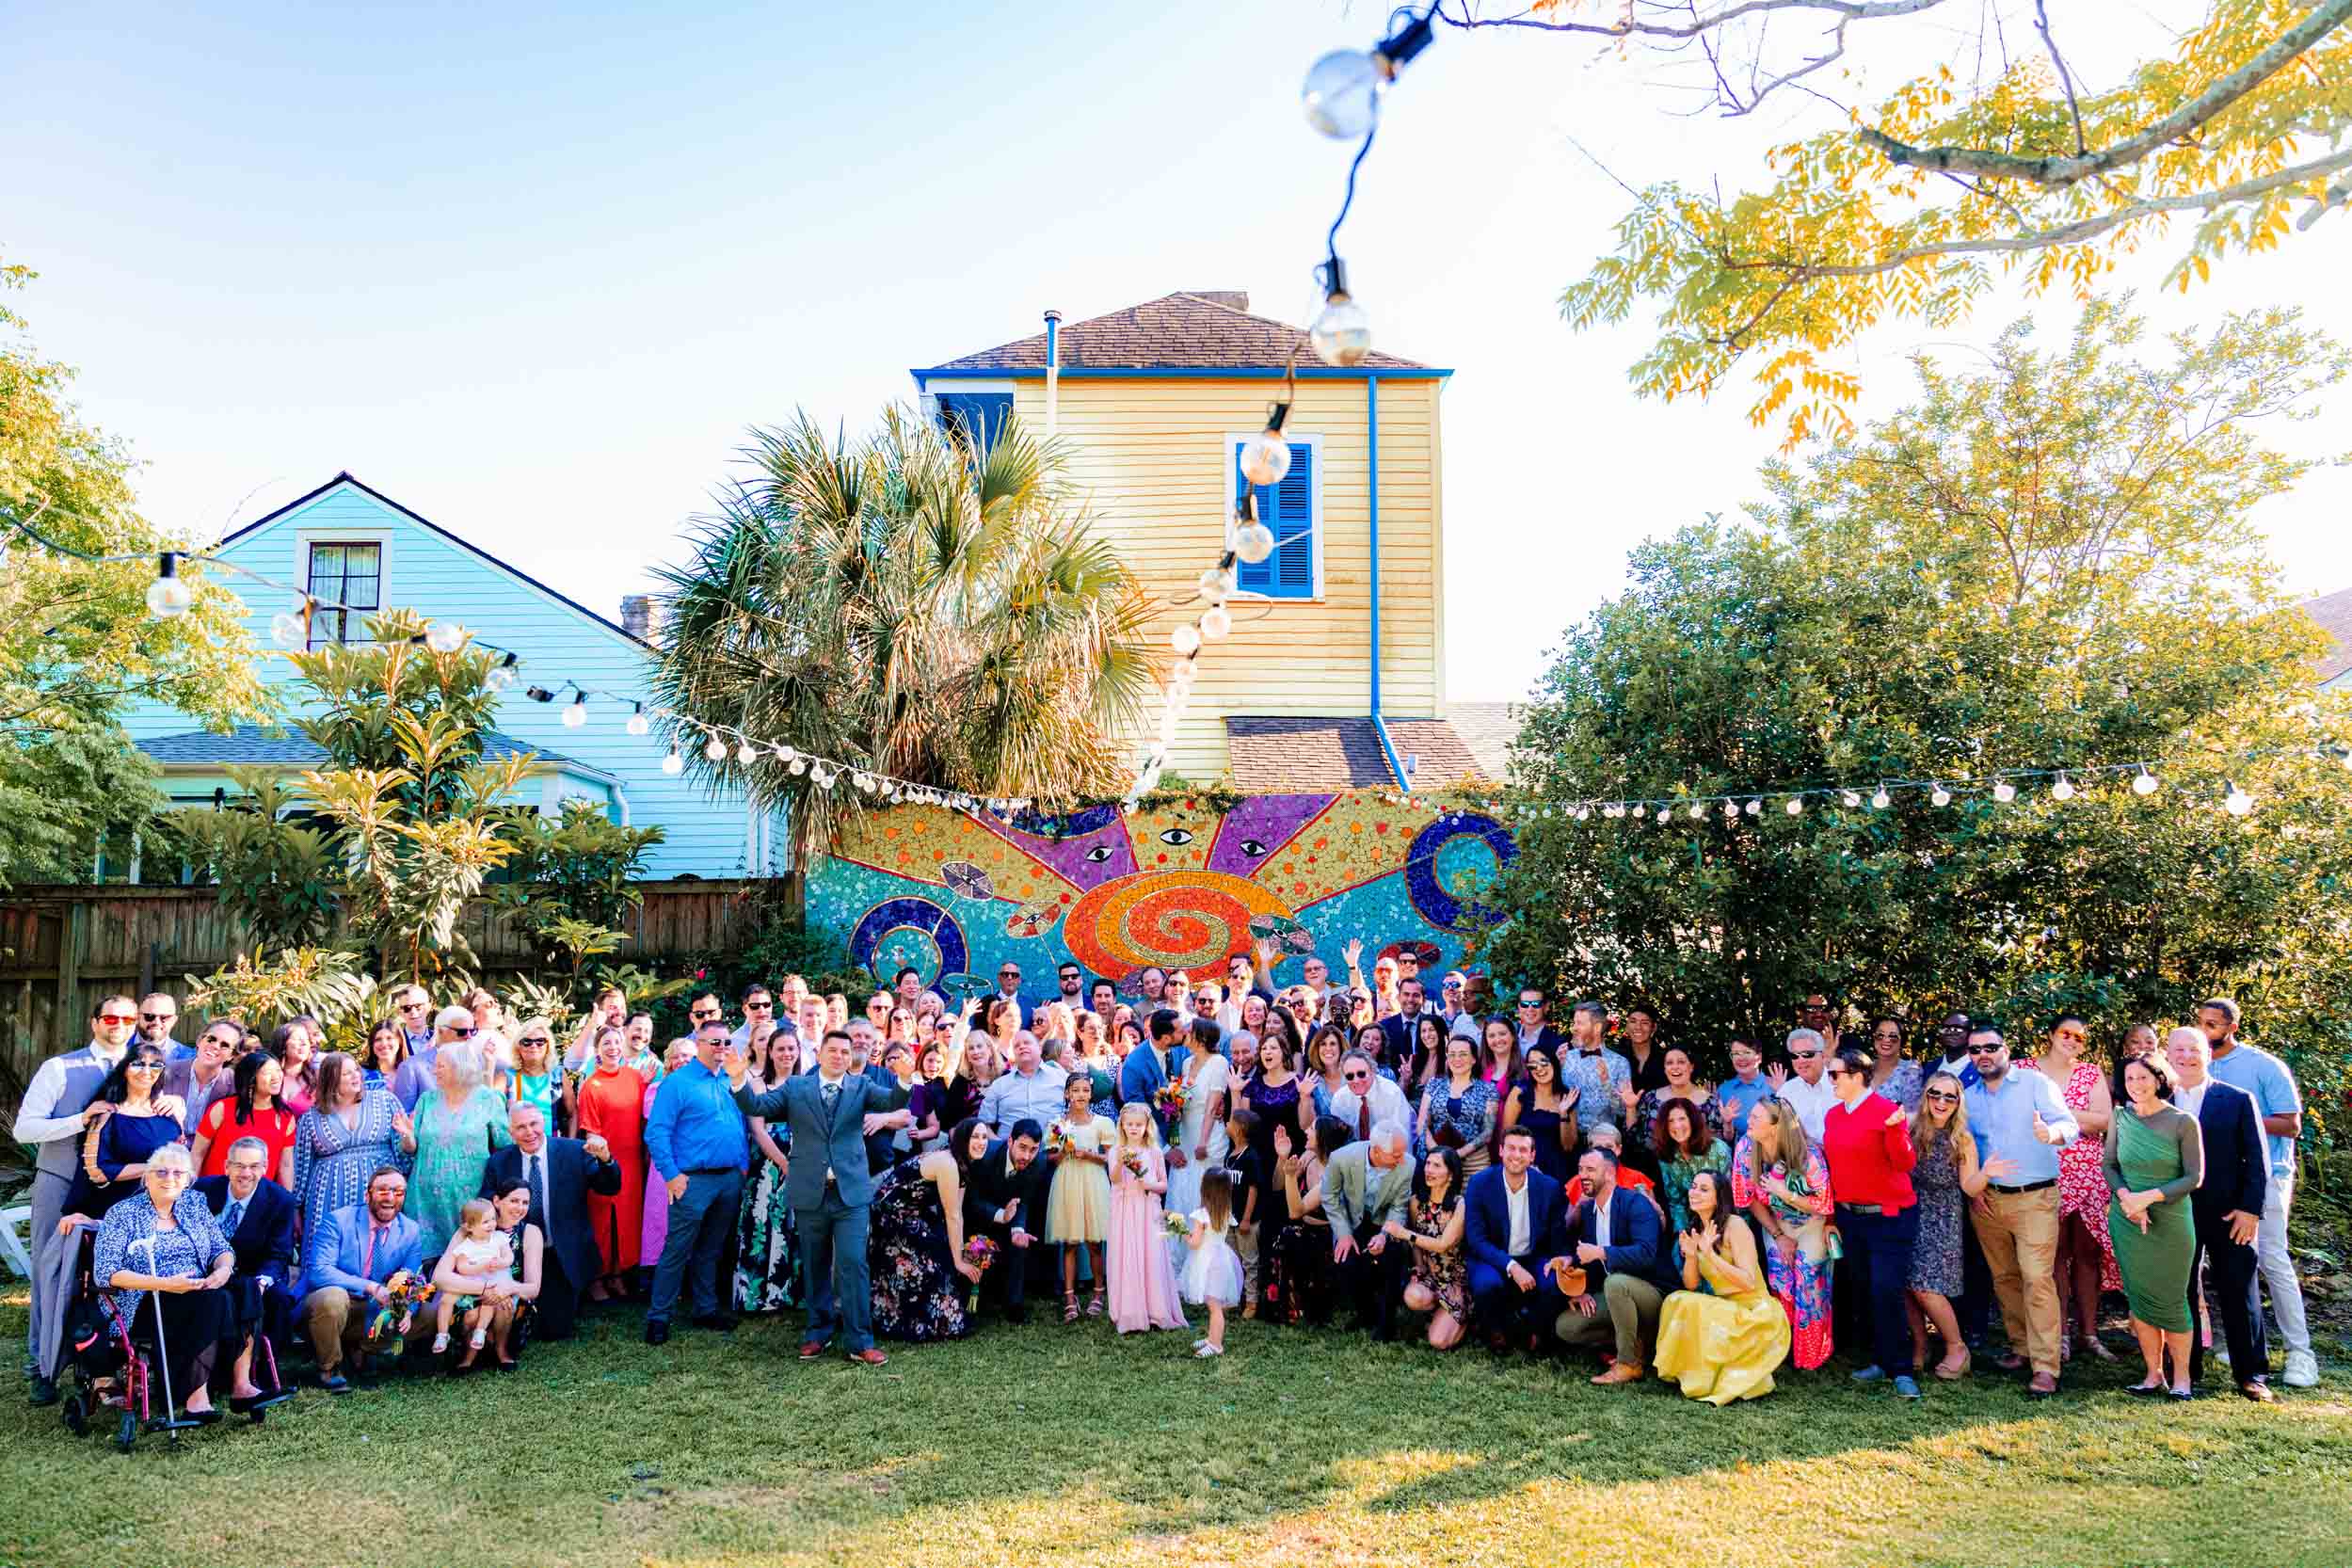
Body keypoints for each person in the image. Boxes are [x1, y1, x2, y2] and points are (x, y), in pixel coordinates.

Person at [728, 1026, 891, 1366]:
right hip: (810, 1192)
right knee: (815, 1265)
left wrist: (904, 1081)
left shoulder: (861, 1087)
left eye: (846, 1053)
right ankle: (817, 1332)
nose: (840, 1057)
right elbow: (757, 1104)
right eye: (833, 1051)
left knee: (852, 1262)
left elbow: (894, 1101)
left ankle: (860, 1340)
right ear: (819, 1053)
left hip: (850, 1195)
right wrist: (738, 1080)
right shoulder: (797, 1087)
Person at [2200, 997, 2316, 1388]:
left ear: (2232, 1027)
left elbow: (2290, 1124)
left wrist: (2237, 1118)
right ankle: (2243, 1344)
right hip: (2215, 1186)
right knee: (2230, 1269)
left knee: (2272, 1259)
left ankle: (2301, 1353)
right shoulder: (2194, 1067)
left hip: (2267, 1177)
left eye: (2212, 1024)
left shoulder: (2265, 1066)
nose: (2205, 1031)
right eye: (2200, 1023)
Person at [1960, 1023, 2080, 1398]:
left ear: (2006, 1049)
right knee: (2004, 1279)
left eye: (1990, 1047)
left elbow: (2069, 1125)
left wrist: (2051, 1134)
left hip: (2035, 1198)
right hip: (1988, 1201)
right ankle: (2021, 1348)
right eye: (1976, 1049)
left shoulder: (2035, 1084)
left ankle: (2046, 1367)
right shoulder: (1968, 1097)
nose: (1983, 1054)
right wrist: (1975, 1189)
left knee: (2037, 1279)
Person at [90, 1143, 242, 1421]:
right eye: (160, 1172)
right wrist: (164, 1283)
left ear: (187, 1179)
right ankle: (197, 1397)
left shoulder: (195, 1204)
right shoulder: (122, 1214)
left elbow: (222, 1248)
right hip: (143, 1301)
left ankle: (241, 1385)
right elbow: (107, 1274)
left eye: (177, 1172)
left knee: (245, 1290)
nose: (169, 1178)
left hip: (195, 1289)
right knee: (214, 1301)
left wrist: (223, 1269)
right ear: (146, 1177)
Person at [2164, 1026, 2272, 1400]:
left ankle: (2251, 1374)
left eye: (2193, 1049)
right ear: (2167, 1054)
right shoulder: (2156, 1099)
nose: (2186, 1056)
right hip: (2174, 1213)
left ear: (2207, 1054)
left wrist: (2250, 1211)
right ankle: (2183, 1370)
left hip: (2230, 1214)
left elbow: (2258, 1161)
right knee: (2179, 1291)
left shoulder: (2237, 1099)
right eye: (2177, 1050)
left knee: (2239, 1291)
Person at [1820, 1046, 1923, 1399]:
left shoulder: (1886, 1111)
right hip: (1851, 1218)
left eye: (1834, 1074)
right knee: (1864, 1290)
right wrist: (1832, 1217)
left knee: (1886, 1290)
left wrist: (1896, 1131)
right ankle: (1880, 1360)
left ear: (1857, 1076)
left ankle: (1902, 1370)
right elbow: (1835, 1171)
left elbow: (1905, 1163)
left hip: (1889, 1218)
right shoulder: (1833, 1115)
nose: (1829, 1079)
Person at [476, 1101, 621, 1341]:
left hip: (558, 1254)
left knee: (554, 1331)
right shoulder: (499, 1162)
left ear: (544, 1122)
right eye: (520, 1127)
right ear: (511, 1132)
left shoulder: (574, 1151)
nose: (529, 1132)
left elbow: (610, 1187)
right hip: (515, 1256)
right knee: (510, 1324)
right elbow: (486, 1203)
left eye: (534, 1124)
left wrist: (606, 1159)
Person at [643, 1020, 750, 1345]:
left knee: (711, 1249)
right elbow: (656, 1132)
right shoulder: (677, 1083)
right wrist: (672, 1175)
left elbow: (744, 1123)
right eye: (714, 1042)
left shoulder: (732, 1080)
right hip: (693, 1181)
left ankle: (705, 1309)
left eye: (726, 1042)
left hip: (729, 1179)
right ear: (699, 1043)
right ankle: (658, 1317)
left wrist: (742, 1168)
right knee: (677, 1248)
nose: (721, 1048)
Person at [2104, 1049, 2201, 1400]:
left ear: (2160, 1079)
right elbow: (2110, 1165)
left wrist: (2151, 1198)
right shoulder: (2119, 1117)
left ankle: (2183, 1380)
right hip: (2127, 1218)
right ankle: (2152, 1375)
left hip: (2171, 1221)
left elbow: (2194, 1177)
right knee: (2140, 1298)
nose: (2135, 1084)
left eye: (2143, 1077)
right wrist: (2128, 1198)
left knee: (2173, 1299)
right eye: (2129, 1078)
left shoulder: (2182, 1122)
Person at [1905, 1070, 2010, 1380]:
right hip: (1909, 1213)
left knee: (1926, 1287)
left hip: (1942, 1219)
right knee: (1907, 1286)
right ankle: (1920, 1345)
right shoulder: (1911, 1127)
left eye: (1949, 1096)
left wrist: (1987, 1173)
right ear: (1926, 1097)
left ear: (1958, 1102)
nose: (1941, 1101)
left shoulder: (1961, 1137)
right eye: (1935, 1094)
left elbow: (1969, 1186)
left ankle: (1956, 1347)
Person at [1653, 1168, 1791, 1403]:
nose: (1694, 1192)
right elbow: (1692, 1284)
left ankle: (1717, 1377)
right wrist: (1692, 1257)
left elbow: (1748, 1282)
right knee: (1677, 1299)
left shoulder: (1735, 1226)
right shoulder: (1695, 1228)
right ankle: (1692, 1375)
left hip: (1754, 1311)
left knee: (1689, 1304)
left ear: (1719, 1197)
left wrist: (1711, 1255)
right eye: (1694, 1186)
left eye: (1704, 1189)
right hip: (1725, 1307)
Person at [194, 1135, 301, 1403]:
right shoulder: (203, 1190)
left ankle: (262, 1377)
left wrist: (263, 1282)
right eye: (239, 1166)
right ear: (227, 1166)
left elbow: (279, 1254)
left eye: (254, 1166)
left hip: (255, 1273)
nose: (246, 1173)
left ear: (265, 1167)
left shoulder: (281, 1201)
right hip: (207, 1273)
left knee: (277, 1299)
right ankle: (208, 1375)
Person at [298, 1165, 424, 1392]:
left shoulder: (411, 1230)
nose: (390, 1198)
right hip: (337, 1304)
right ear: (367, 1195)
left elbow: (412, 1277)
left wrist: (406, 1307)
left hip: (374, 1310)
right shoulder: (338, 1221)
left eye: (398, 1192)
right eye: (383, 1191)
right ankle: (330, 1367)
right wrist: (372, 1287)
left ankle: (365, 1352)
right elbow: (319, 1271)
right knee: (332, 1297)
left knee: (430, 1311)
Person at [1554, 1146, 1674, 1384]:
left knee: (1616, 1283)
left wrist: (1601, 1252)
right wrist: (1570, 1261)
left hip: (1655, 1296)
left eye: (1590, 1169)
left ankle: (1628, 1363)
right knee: (1566, 1326)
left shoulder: (1635, 1204)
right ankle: (1636, 1342)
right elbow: (1589, 1257)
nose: (1583, 1175)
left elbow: (1646, 1254)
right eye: (1580, 1169)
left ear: (1609, 1173)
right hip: (1617, 1294)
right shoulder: (1589, 1210)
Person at [2040, 1015, 2121, 1363]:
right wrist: (2080, 1117)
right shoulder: (2027, 1069)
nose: (2072, 1040)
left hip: (2089, 1175)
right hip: (2045, 1171)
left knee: (2088, 1254)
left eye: (2080, 1037)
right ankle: (2058, 1335)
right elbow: (2021, 1114)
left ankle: (2088, 1333)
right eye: (2065, 1034)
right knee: (2053, 1256)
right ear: (2050, 1035)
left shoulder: (2090, 1073)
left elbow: (2104, 1121)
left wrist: (2054, 1113)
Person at [1733, 1097, 1834, 1369]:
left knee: (1807, 1282)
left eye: (1756, 1117)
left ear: (1776, 1127)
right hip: (1776, 1223)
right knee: (1780, 1283)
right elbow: (1749, 1198)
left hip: (1812, 1223)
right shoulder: (1746, 1147)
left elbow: (1824, 1202)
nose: (1749, 1122)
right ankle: (1782, 1350)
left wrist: (1785, 1193)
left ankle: (1811, 1356)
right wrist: (1779, 1236)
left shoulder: (1808, 1154)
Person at [868, 1115, 987, 1342]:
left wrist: (960, 1251)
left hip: (915, 1211)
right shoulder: (948, 1163)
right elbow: (952, 1216)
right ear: (963, 1139)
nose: (981, 1142)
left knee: (941, 1248)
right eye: (975, 1137)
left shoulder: (962, 1161)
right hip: (892, 1214)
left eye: (984, 1137)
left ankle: (944, 1317)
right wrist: (959, 1261)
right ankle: (919, 1322)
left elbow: (957, 1213)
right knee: (932, 1260)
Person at [292, 1051, 416, 1247]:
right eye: (347, 1073)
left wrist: (408, 1138)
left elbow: (405, 1153)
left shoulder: (385, 1102)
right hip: (327, 1201)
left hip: (379, 1196)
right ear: (331, 1080)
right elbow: (301, 1166)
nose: (356, 1076)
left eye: (356, 1071)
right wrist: (295, 1209)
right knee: (329, 1254)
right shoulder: (311, 1118)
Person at [1464, 1125, 1569, 1353]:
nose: (1516, 1155)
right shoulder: (1479, 1183)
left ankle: (1536, 1332)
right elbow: (1476, 1239)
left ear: (1532, 1156)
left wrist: (1562, 1259)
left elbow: (1557, 1236)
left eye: (1523, 1150)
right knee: (1486, 1284)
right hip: (1492, 1256)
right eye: (1511, 1148)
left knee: (1552, 1281)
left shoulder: (1549, 1187)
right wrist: (1511, 1266)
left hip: (1533, 1256)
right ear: (1500, 1151)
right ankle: (1496, 1332)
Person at [405, 1039, 513, 1260]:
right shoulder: (427, 1100)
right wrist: (407, 1135)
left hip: (470, 1201)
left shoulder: (488, 1098)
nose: (434, 1071)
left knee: (470, 1261)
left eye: (440, 1066)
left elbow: (505, 1144)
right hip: (425, 1202)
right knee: (426, 1270)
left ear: (459, 1067)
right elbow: (410, 1148)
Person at [67, 1039, 187, 1222]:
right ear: (125, 1069)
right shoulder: (107, 1113)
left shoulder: (169, 1113)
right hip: (111, 1212)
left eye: (155, 1065)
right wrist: (154, 1168)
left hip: (160, 1214)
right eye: (138, 1064)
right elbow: (98, 1171)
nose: (147, 1071)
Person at [571, 1026, 648, 1303]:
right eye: (606, 1043)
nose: (613, 1047)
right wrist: (603, 1159)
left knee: (626, 1220)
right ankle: (596, 1277)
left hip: (633, 1161)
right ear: (597, 1049)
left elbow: (646, 1114)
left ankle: (618, 1274)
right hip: (605, 1162)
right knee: (603, 1221)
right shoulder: (591, 1085)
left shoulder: (636, 1077)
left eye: (617, 1042)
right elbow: (589, 1129)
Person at [1322, 1122, 1416, 1340]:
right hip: (1352, 1222)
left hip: (1385, 1223)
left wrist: (1384, 1236)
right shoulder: (1341, 1158)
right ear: (1376, 1150)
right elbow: (1329, 1196)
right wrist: (1343, 1233)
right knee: (1345, 1263)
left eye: (1403, 1153)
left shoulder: (1408, 1164)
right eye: (1395, 1155)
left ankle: (1386, 1325)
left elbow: (1399, 1207)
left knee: (1393, 1259)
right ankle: (1366, 1313)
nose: (1401, 1159)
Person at [1106, 1101, 1189, 1333]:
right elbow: (1114, 1179)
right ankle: (1130, 1312)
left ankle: (1155, 1310)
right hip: (1125, 1209)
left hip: (1147, 1207)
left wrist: (1149, 1184)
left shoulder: (1154, 1152)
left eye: (1138, 1125)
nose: (1133, 1128)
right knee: (1128, 1254)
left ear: (1146, 1126)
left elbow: (1164, 1184)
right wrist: (1120, 1163)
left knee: (1150, 1254)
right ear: (1122, 1126)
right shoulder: (1115, 1151)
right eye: (1129, 1124)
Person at [962, 1119, 1051, 1324]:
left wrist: (1018, 1229)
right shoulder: (985, 1155)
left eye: (1033, 1150)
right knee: (977, 1244)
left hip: (1009, 1216)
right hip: (977, 1217)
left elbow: (1024, 1200)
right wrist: (1001, 1214)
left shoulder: (1038, 1163)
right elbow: (972, 1200)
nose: (1027, 1156)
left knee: (1019, 1243)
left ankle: (1014, 1305)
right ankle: (972, 1301)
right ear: (1010, 1141)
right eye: (1022, 1147)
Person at [1263, 1115, 1345, 1326]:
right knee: (1286, 1236)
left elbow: (1295, 1211)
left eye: (1311, 1129)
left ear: (1323, 1137)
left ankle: (1302, 1308)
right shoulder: (1309, 1156)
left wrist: (1291, 1178)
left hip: (1327, 1236)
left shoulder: (1333, 1171)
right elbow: (1277, 1186)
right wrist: (1282, 1159)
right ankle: (1283, 1306)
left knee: (1291, 1235)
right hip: (1303, 1226)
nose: (1306, 1131)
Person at [1046, 1072, 1115, 1320]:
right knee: (1071, 1242)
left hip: (1093, 1181)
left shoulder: (1102, 1123)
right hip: (1067, 1181)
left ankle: (1098, 1293)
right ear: (1067, 1094)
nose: (1081, 1095)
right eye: (1076, 1090)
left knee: (1095, 1242)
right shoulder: (1057, 1123)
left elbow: (1111, 1157)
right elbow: (1051, 1158)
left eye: (1085, 1090)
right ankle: (1069, 1296)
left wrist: (1090, 1155)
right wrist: (1065, 1151)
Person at [1390, 1145, 1468, 1350]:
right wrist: (1419, 1266)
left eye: (1436, 1165)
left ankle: (1464, 1317)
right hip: (1431, 1278)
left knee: (1438, 1342)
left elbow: (1443, 1245)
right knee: (1412, 1296)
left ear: (1451, 1175)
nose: (1429, 1170)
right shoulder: (1416, 1202)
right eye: (1427, 1164)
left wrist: (1404, 1233)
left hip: (1456, 1282)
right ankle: (1437, 1312)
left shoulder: (1460, 1205)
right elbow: (1417, 1243)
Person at [191, 1049, 298, 1188]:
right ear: (251, 1079)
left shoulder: (285, 1116)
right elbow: (197, 1153)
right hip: (214, 1193)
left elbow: (286, 1165)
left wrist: (287, 1202)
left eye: (278, 1071)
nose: (276, 1077)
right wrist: (189, 1194)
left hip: (257, 1200)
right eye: (267, 1073)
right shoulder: (223, 1108)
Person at [430, 1198, 515, 1365]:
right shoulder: (466, 1244)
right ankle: (442, 1334)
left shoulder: (498, 1238)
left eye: (492, 1219)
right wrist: (481, 1266)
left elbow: (509, 1256)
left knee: (489, 1302)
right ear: (468, 1227)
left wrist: (501, 1262)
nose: (491, 1224)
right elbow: (462, 1268)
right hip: (471, 1280)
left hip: (494, 1279)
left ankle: (480, 1331)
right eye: (485, 1222)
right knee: (446, 1299)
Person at [1165, 1018, 1233, 1217]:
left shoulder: (1219, 1063)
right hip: (1185, 1132)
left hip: (1207, 1133)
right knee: (1182, 1189)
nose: (1184, 1032)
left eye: (1189, 1029)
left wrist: (1203, 1142)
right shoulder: (1187, 1064)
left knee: (1202, 1191)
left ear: (1201, 1037)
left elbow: (1212, 1107)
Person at [479, 1179, 547, 1368]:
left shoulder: (530, 1232)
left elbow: (533, 1288)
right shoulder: (476, 1227)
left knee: (505, 1305)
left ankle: (500, 1348)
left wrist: (508, 1288)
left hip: (511, 1298)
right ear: (497, 1201)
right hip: (478, 1293)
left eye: (525, 1203)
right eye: (514, 1201)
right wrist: (483, 1290)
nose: (520, 1207)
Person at [1179, 1167, 1246, 1356]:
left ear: (1205, 1190)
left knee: (1214, 1307)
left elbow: (1194, 1243)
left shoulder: (1202, 1215)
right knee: (1213, 1303)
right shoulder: (1225, 1212)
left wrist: (1181, 1230)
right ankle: (1211, 1338)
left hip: (1207, 1262)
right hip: (1221, 1259)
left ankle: (1216, 1345)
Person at [1420, 1032, 1498, 1177]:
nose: (1457, 1059)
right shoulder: (1434, 1084)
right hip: (1437, 1162)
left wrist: (1456, 1155)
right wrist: (1439, 1154)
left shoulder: (1488, 1089)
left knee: (1471, 1199)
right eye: (1452, 1054)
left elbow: (1488, 1132)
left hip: (1474, 1163)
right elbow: (1422, 1124)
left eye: (1463, 1054)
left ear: (1474, 1059)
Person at [1653, 1100, 1731, 1235]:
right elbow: (1676, 1203)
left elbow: (1730, 1195)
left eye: (1682, 1118)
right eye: (1670, 1121)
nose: (1677, 1125)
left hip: (1725, 1223)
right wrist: (1684, 1234)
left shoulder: (1718, 1149)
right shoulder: (1666, 1156)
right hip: (1691, 1225)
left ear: (1693, 1120)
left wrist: (1718, 1233)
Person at [1560, 1000, 1631, 1136]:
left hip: (1604, 1142)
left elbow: (1622, 1111)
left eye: (1579, 1023)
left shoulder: (1619, 1063)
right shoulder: (1566, 1058)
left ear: (1597, 1028)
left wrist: (1606, 1084)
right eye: (1574, 1023)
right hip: (1569, 1139)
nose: (1574, 1028)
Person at [162, 1018, 241, 1141]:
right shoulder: (167, 1071)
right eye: (211, 1039)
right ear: (199, 1041)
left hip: (209, 1154)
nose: (215, 1046)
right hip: (166, 1148)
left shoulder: (235, 1086)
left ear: (232, 1056)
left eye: (224, 1045)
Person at [1774, 1028, 1838, 1141]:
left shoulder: (1842, 1084)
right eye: (1795, 1056)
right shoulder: (1786, 1092)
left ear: (1823, 1055)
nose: (1801, 1060)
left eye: (1807, 1054)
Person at [1715, 1038, 1774, 1144]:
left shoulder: (1775, 1086)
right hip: (1738, 1156)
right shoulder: (1724, 1090)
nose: (1741, 1058)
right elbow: (1725, 1140)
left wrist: (1782, 1092)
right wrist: (1728, 1123)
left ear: (1759, 1057)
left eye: (1747, 1052)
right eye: (1736, 1053)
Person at [509, 1020, 562, 1132]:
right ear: (518, 1046)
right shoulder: (508, 1076)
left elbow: (573, 1114)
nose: (534, 1046)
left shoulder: (557, 1074)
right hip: (519, 1145)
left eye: (540, 1041)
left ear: (548, 1046)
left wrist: (567, 1145)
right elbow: (492, 1110)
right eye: (527, 1041)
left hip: (552, 1145)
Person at [1865, 1017, 1925, 1112]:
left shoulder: (1911, 1070)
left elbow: (1912, 1113)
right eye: (1880, 1035)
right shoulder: (1864, 1068)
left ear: (1902, 1041)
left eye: (1893, 1036)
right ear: (1874, 1038)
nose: (1886, 1040)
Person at [1621, 1004, 1668, 1094]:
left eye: (1645, 1023)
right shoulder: (1616, 1058)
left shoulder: (1667, 1061)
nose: (1638, 1027)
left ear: (1653, 1028)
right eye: (1633, 1021)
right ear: (1627, 1026)